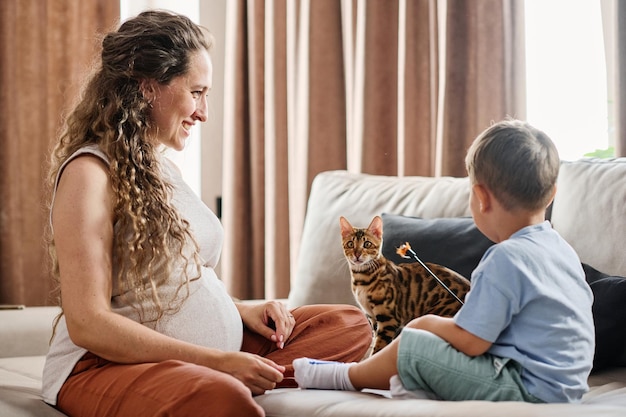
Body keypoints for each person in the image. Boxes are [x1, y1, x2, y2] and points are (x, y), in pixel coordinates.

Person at [42, 10, 371, 417]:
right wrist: (214, 361)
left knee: (348, 325)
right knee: (223, 398)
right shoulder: (89, 174)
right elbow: (88, 323)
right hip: (106, 366)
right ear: (148, 87)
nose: (204, 113)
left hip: (199, 360)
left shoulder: (162, 168)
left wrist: (242, 310)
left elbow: (180, 279)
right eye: (196, 93)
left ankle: (228, 376)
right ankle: (220, 382)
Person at [293, 119, 595, 403]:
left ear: (480, 197)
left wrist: (427, 323)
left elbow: (472, 342)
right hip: (567, 388)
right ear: (552, 194)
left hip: (523, 387)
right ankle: (414, 384)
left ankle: (347, 376)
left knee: (413, 345)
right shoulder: (562, 250)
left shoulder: (505, 259)